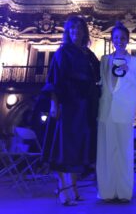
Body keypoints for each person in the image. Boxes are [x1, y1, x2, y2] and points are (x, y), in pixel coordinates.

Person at [42, 16, 100, 206]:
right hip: (68, 105)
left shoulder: (89, 54)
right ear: (68, 32)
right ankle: (62, 187)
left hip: (85, 106)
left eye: (79, 29)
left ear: (84, 31)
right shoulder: (62, 52)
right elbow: (54, 79)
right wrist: (54, 104)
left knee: (79, 148)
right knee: (62, 147)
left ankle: (73, 187)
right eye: (72, 29)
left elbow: (97, 76)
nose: (76, 32)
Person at [96, 22, 136, 203]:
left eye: (122, 38)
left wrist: (129, 72)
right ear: (112, 40)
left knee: (124, 152)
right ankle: (106, 191)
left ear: (127, 40)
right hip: (106, 110)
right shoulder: (105, 60)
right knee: (105, 152)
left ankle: (123, 192)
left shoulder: (134, 61)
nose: (119, 41)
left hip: (124, 110)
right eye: (116, 38)